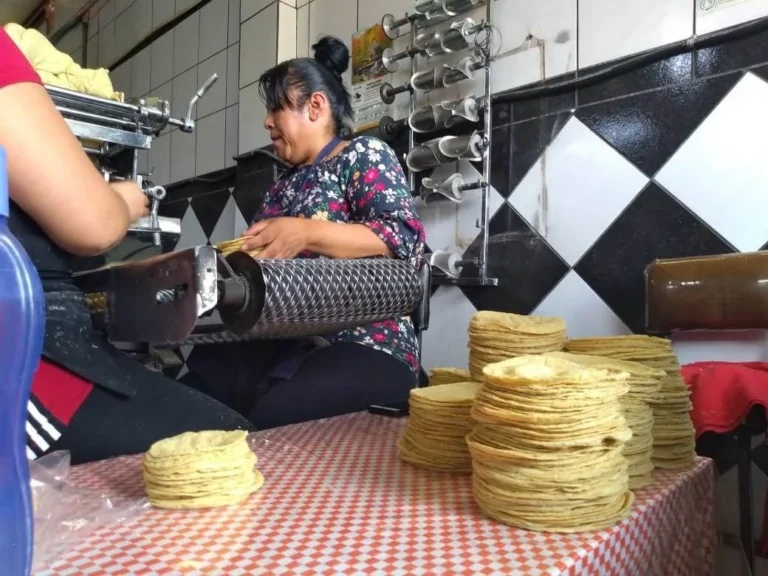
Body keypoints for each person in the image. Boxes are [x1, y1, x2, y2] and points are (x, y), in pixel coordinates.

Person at [0, 27, 253, 465]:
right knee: (243, 447)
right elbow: (92, 224)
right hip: (19, 369)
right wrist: (121, 200)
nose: (268, 123)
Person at [185, 36, 426, 428]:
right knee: (196, 395)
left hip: (365, 343)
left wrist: (305, 233)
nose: (266, 122)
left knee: (273, 416)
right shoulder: (283, 185)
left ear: (315, 106)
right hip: (283, 341)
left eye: (275, 108)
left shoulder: (363, 155)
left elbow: (399, 238)